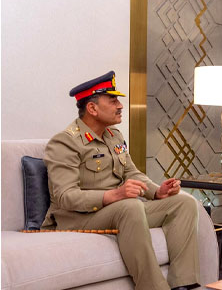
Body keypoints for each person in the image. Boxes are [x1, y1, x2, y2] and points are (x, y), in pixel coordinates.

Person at [42, 71, 200, 290]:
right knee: (130, 206)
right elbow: (65, 197)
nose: (120, 106)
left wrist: (157, 192)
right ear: (92, 108)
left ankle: (183, 284)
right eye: (113, 100)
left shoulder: (113, 135)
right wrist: (115, 195)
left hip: (118, 210)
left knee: (184, 202)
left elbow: (131, 172)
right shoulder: (65, 142)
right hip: (79, 218)